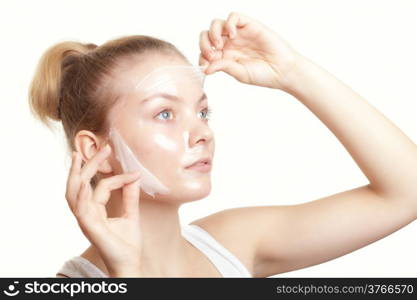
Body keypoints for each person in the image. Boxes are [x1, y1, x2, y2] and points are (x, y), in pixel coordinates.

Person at [28, 12, 417, 278]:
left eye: (202, 112)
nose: (201, 133)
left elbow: (408, 191)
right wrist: (128, 275)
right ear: (97, 150)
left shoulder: (230, 242)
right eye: (165, 113)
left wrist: (291, 71)